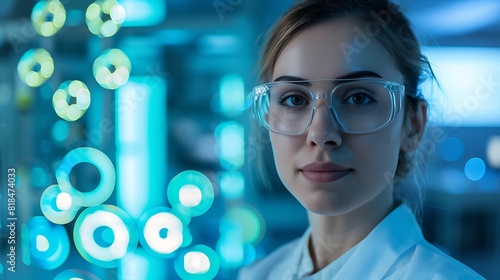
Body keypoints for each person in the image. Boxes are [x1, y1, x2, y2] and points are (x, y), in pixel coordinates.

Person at [239, 0, 485, 279]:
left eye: (359, 98)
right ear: (269, 119)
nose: (321, 134)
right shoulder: (257, 274)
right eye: (294, 99)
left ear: (413, 125)